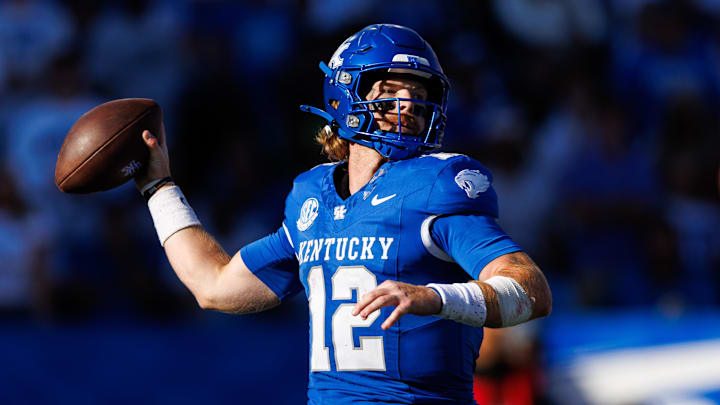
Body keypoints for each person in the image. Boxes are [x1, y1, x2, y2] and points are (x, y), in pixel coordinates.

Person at [135, 24, 552, 404]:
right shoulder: (311, 197)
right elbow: (214, 286)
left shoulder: (436, 183)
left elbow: (531, 291)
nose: (408, 103)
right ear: (345, 93)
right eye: (390, 88)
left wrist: (433, 297)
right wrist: (159, 188)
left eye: (420, 94)